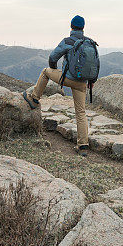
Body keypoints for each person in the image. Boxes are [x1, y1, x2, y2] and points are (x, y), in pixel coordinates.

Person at [22, 15, 99, 156]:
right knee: (81, 113)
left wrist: (57, 71)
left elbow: (52, 57)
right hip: (83, 82)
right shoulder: (89, 42)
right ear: (83, 27)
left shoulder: (68, 40)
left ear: (71, 26)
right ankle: (83, 146)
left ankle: (34, 98)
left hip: (68, 79)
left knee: (45, 71)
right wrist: (91, 81)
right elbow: (94, 65)